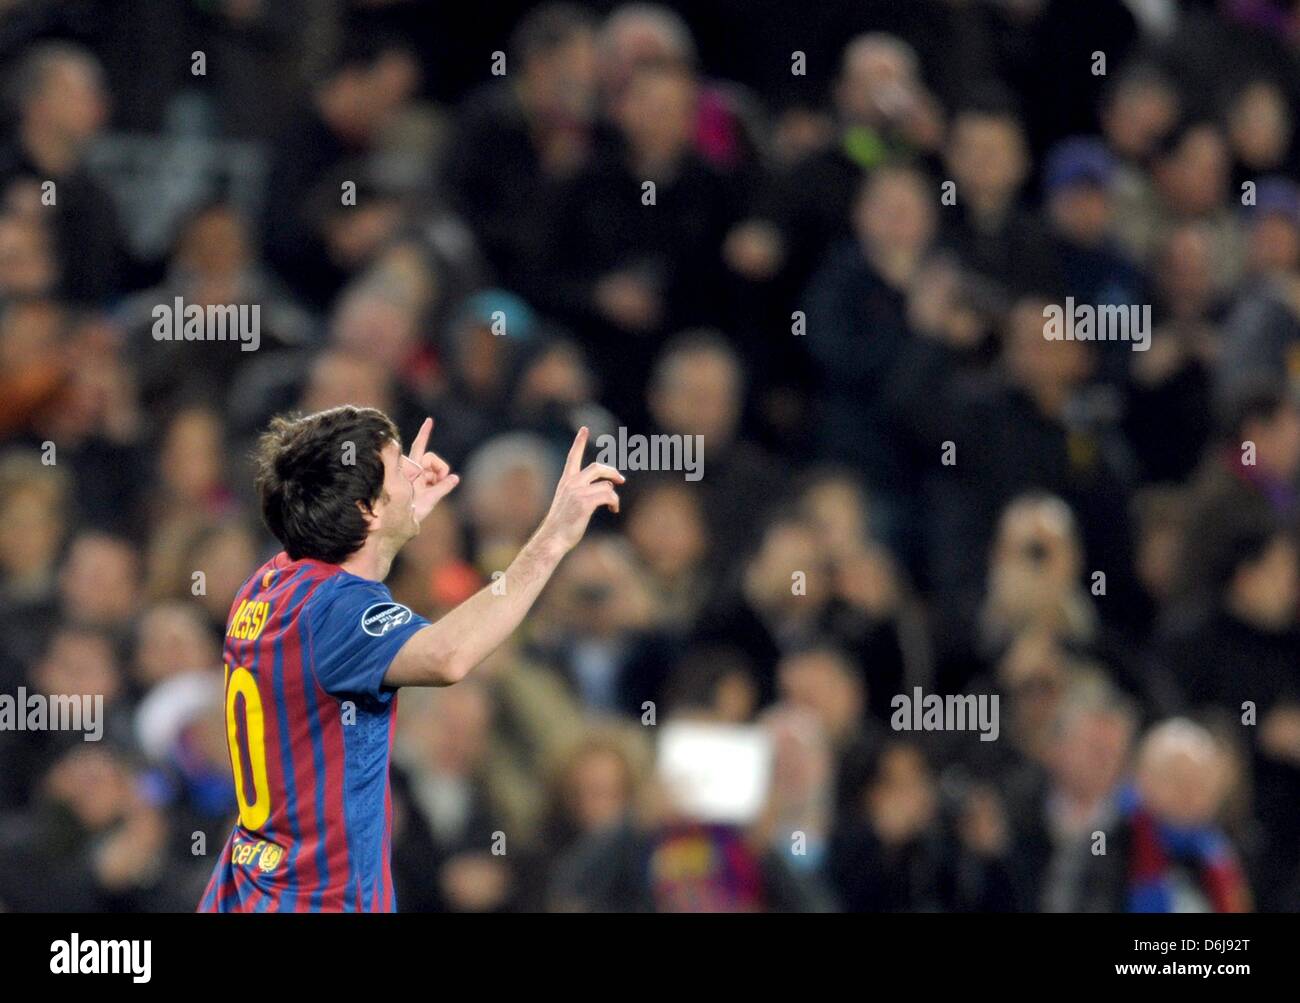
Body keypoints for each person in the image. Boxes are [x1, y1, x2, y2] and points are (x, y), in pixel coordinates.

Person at [198, 406, 623, 912]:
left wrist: (391, 526)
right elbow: (448, 656)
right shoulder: (335, 609)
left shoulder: (266, 586)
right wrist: (553, 538)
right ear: (368, 508)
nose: (414, 474)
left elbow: (346, 600)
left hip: (247, 892)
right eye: (399, 468)